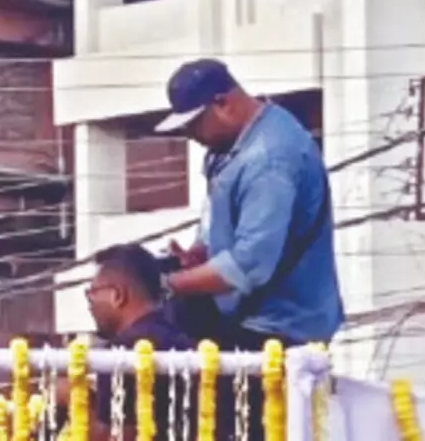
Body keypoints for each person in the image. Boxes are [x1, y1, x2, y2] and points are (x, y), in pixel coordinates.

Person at [154, 58, 342, 349]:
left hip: (281, 329)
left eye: (193, 124)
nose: (190, 136)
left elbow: (249, 264)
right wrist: (199, 255)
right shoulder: (236, 143)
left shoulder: (268, 160)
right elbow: (226, 226)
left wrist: (169, 285)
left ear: (223, 104)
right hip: (246, 317)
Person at [85, 244, 192, 439]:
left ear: (117, 295)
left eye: (92, 293)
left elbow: (114, 436)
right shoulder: (183, 341)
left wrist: (75, 397)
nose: (89, 306)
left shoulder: (120, 355)